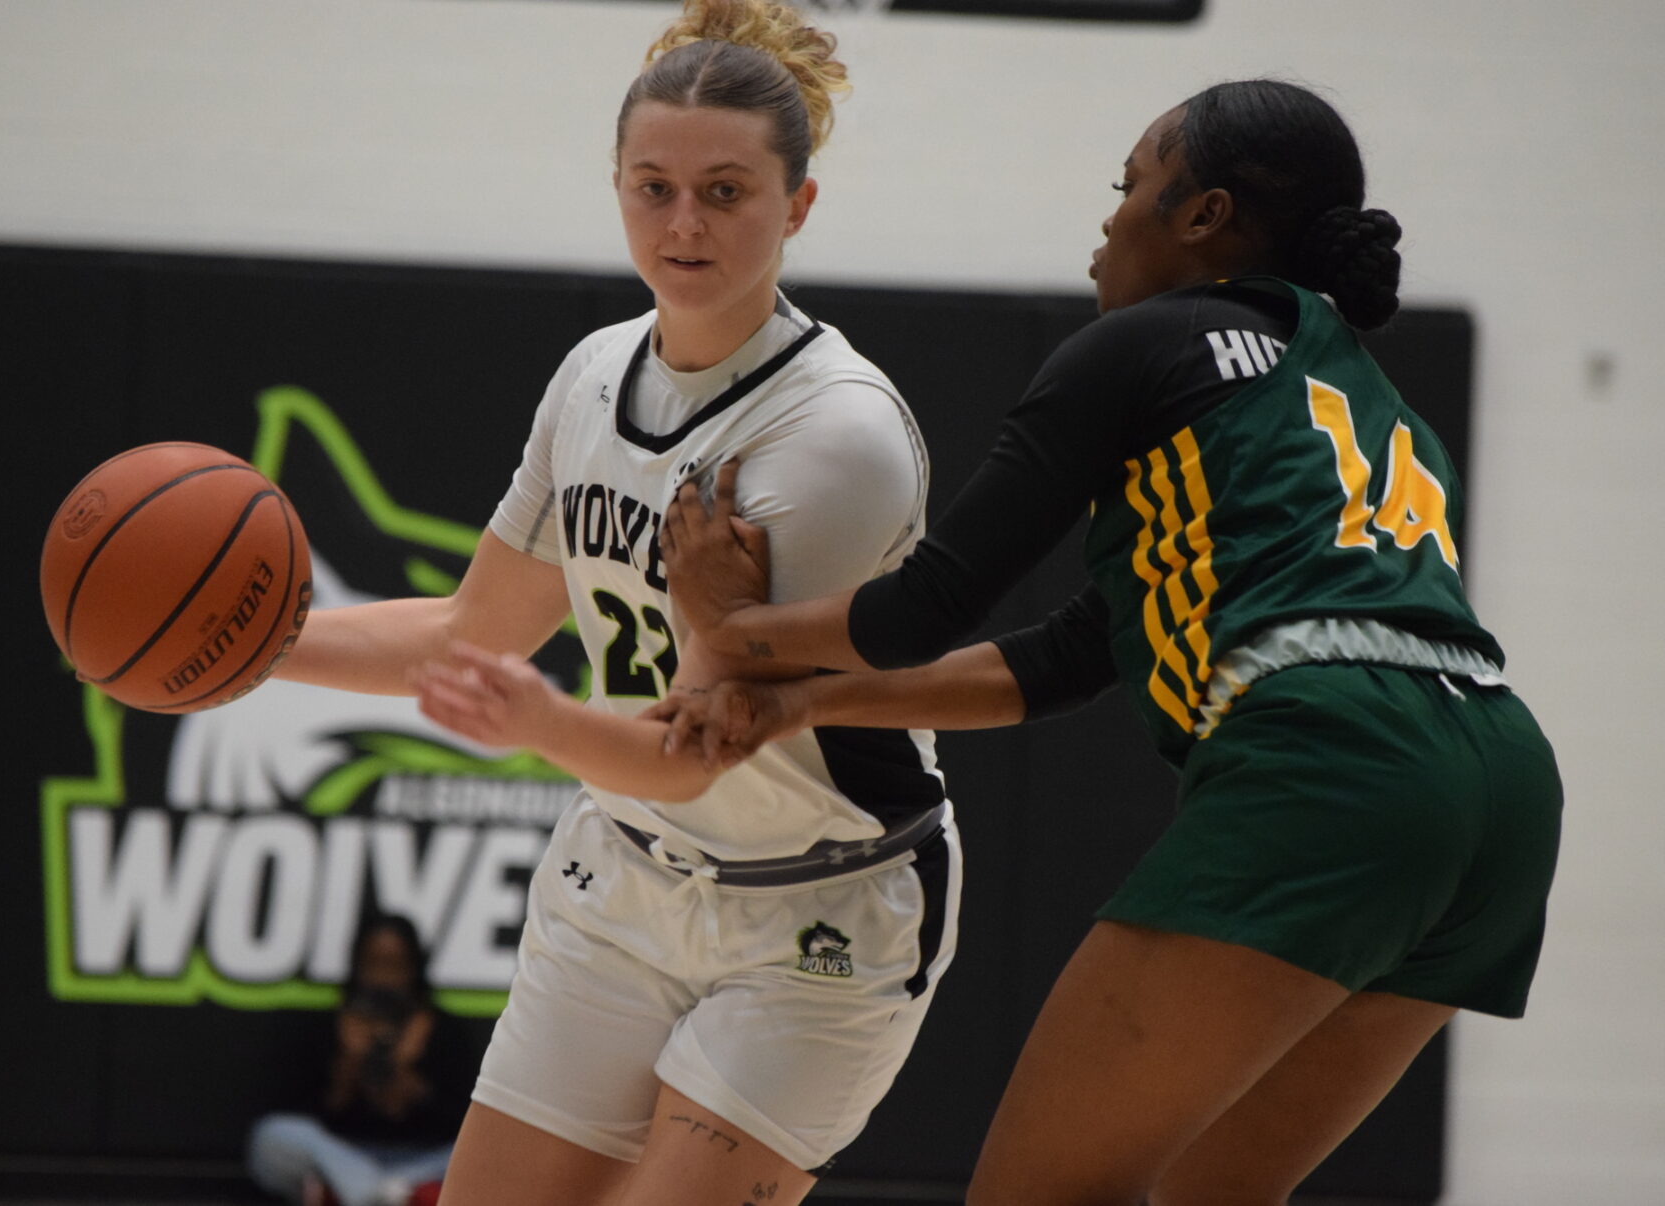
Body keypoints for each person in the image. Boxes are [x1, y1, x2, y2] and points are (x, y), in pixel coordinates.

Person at [651, 79, 1563, 1205]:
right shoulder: (1372, 403)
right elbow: (1069, 658)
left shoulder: (1148, 343)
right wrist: (804, 703)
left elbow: (926, 605)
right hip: (1501, 789)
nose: (1107, 221)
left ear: (1204, 217)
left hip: (1337, 761)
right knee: (1205, 1194)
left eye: (1129, 187)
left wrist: (732, 628)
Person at [275, 3, 962, 1204]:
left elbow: (696, 748)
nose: (683, 222)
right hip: (622, 884)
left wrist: (532, 721)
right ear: (616, 185)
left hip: (815, 910)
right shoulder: (593, 375)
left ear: (798, 206)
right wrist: (249, 656)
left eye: (726, 192)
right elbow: (469, 631)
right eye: (653, 187)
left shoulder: (835, 438)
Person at [248, 914, 455, 1206]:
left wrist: (406, 1075)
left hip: (420, 1160)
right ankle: (385, 1194)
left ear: (413, 968)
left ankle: (375, 1192)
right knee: (271, 1136)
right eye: (374, 964)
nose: (383, 979)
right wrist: (348, 1064)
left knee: (489, 1150)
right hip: (343, 1157)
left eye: (394, 966)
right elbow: (299, 1113)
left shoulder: (441, 1029)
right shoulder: (330, 1026)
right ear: (357, 964)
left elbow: (461, 1120)